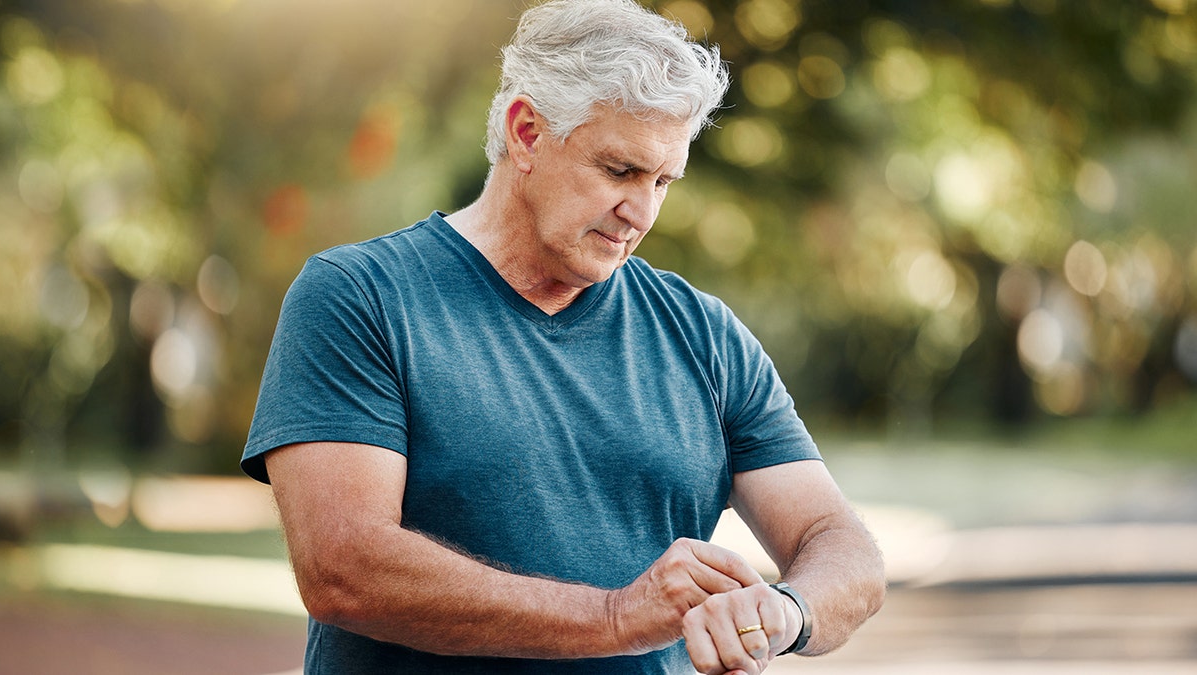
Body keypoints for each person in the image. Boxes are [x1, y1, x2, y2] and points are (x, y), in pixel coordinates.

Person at [241, 0, 885, 673]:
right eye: (619, 171)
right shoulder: (359, 297)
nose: (640, 211)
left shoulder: (704, 336)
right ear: (526, 132)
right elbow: (342, 568)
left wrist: (786, 610)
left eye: (663, 181)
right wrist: (612, 616)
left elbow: (838, 542)